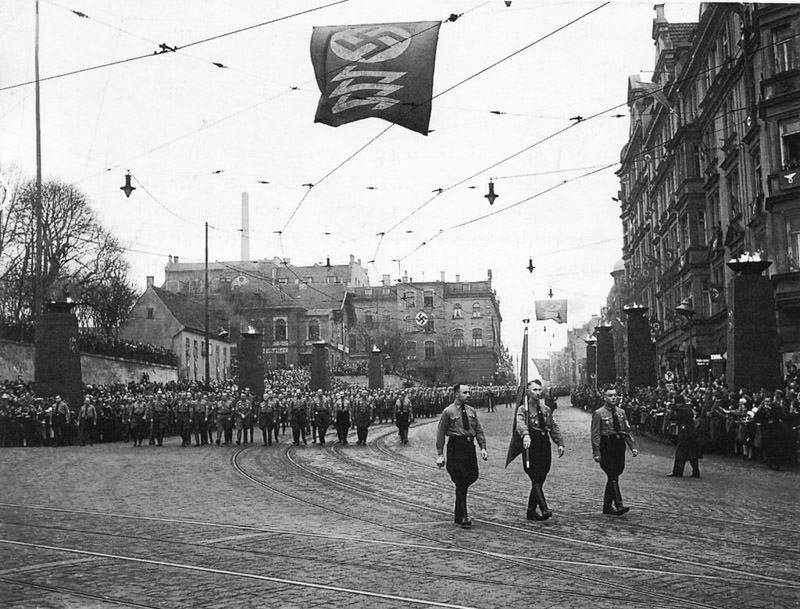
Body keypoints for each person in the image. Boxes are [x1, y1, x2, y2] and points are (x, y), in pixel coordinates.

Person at [436, 384, 488, 528]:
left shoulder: (471, 410)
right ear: (457, 394)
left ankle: (458, 514)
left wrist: (483, 447)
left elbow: (478, 430)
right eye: (465, 393)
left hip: (469, 447)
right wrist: (440, 454)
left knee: (472, 476)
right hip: (455, 447)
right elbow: (440, 433)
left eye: (469, 392)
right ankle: (464, 515)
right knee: (460, 480)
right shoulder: (448, 412)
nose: (468, 395)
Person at [517, 379, 565, 521]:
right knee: (535, 475)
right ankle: (544, 508)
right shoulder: (523, 409)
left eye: (539, 390)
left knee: (542, 475)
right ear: (528, 392)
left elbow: (552, 426)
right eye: (534, 390)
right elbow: (520, 423)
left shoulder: (546, 409)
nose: (537, 393)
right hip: (531, 443)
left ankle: (531, 511)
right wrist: (525, 434)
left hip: (544, 444)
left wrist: (559, 443)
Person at [591, 386, 638, 515]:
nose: (613, 398)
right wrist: (596, 452)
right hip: (607, 445)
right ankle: (619, 504)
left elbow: (627, 431)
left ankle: (607, 506)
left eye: (614, 395)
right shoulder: (598, 413)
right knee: (611, 473)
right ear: (604, 397)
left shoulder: (621, 412)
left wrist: (632, 446)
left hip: (619, 445)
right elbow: (595, 434)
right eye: (610, 395)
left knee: (617, 472)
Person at [667, 395, 700, 477]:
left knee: (680, 453)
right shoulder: (688, 408)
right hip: (692, 433)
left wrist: (671, 411)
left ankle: (678, 472)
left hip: (685, 433)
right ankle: (696, 472)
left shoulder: (682, 410)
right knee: (692, 453)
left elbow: (674, 417)